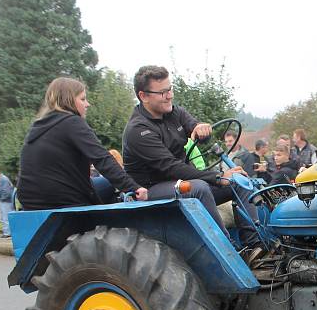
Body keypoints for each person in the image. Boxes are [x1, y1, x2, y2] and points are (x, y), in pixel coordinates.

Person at [122, 65, 258, 245]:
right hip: (150, 189)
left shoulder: (174, 112)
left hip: (177, 181)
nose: (170, 95)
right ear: (143, 96)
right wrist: (217, 177)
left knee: (239, 180)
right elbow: (171, 167)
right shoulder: (138, 130)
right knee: (198, 188)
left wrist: (200, 128)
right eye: (163, 92)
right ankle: (227, 249)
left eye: (170, 89)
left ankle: (255, 245)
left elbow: (193, 125)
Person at [17, 78, 146, 211]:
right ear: (69, 100)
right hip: (62, 199)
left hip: (29, 202)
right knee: (110, 185)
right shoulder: (72, 122)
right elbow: (102, 158)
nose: (87, 104)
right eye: (83, 99)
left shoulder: (37, 127)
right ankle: (110, 224)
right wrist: (133, 187)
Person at [0, 168, 14, 238]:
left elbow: (6, 191)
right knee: (3, 217)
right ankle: (7, 232)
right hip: (4, 200)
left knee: (6, 217)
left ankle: (7, 233)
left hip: (6, 201)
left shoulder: (3, 179)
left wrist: (0, 198)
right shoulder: (2, 179)